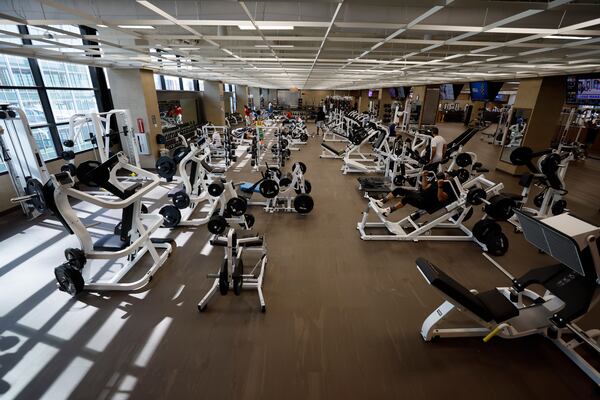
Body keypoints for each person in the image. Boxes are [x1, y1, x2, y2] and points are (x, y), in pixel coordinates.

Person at [374, 170, 457, 216]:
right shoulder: (439, 181)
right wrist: (424, 176)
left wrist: (440, 186)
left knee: (407, 198)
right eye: (447, 174)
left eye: (448, 175)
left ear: (452, 179)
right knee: (398, 190)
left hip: (425, 203)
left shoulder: (449, 188)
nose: (446, 175)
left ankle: (388, 211)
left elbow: (441, 198)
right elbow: (425, 187)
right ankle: (382, 202)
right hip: (420, 195)